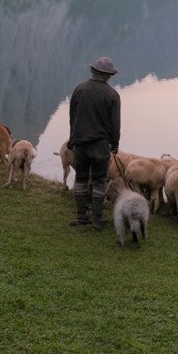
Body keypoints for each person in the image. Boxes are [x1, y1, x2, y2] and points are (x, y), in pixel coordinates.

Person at [67, 56, 121, 229]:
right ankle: (97, 219)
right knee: (99, 180)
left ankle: (81, 216)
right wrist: (115, 143)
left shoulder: (79, 89)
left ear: (93, 71)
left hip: (80, 142)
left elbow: (73, 117)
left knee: (81, 177)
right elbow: (115, 124)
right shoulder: (112, 95)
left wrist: (72, 138)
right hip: (100, 144)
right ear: (108, 75)